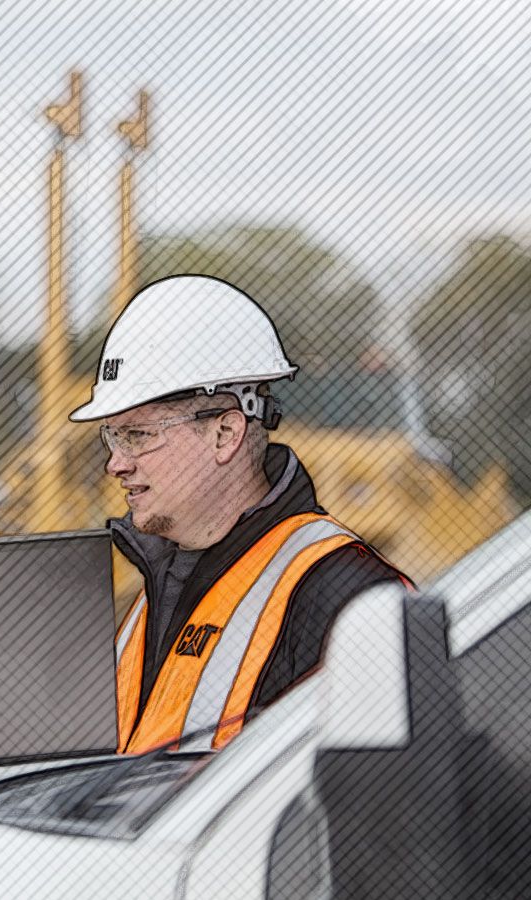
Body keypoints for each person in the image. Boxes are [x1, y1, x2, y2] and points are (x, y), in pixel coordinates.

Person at [70, 275, 408, 754]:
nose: (115, 463)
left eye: (138, 436)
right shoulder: (159, 584)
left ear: (225, 435)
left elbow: (385, 805)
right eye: (112, 436)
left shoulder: (348, 597)